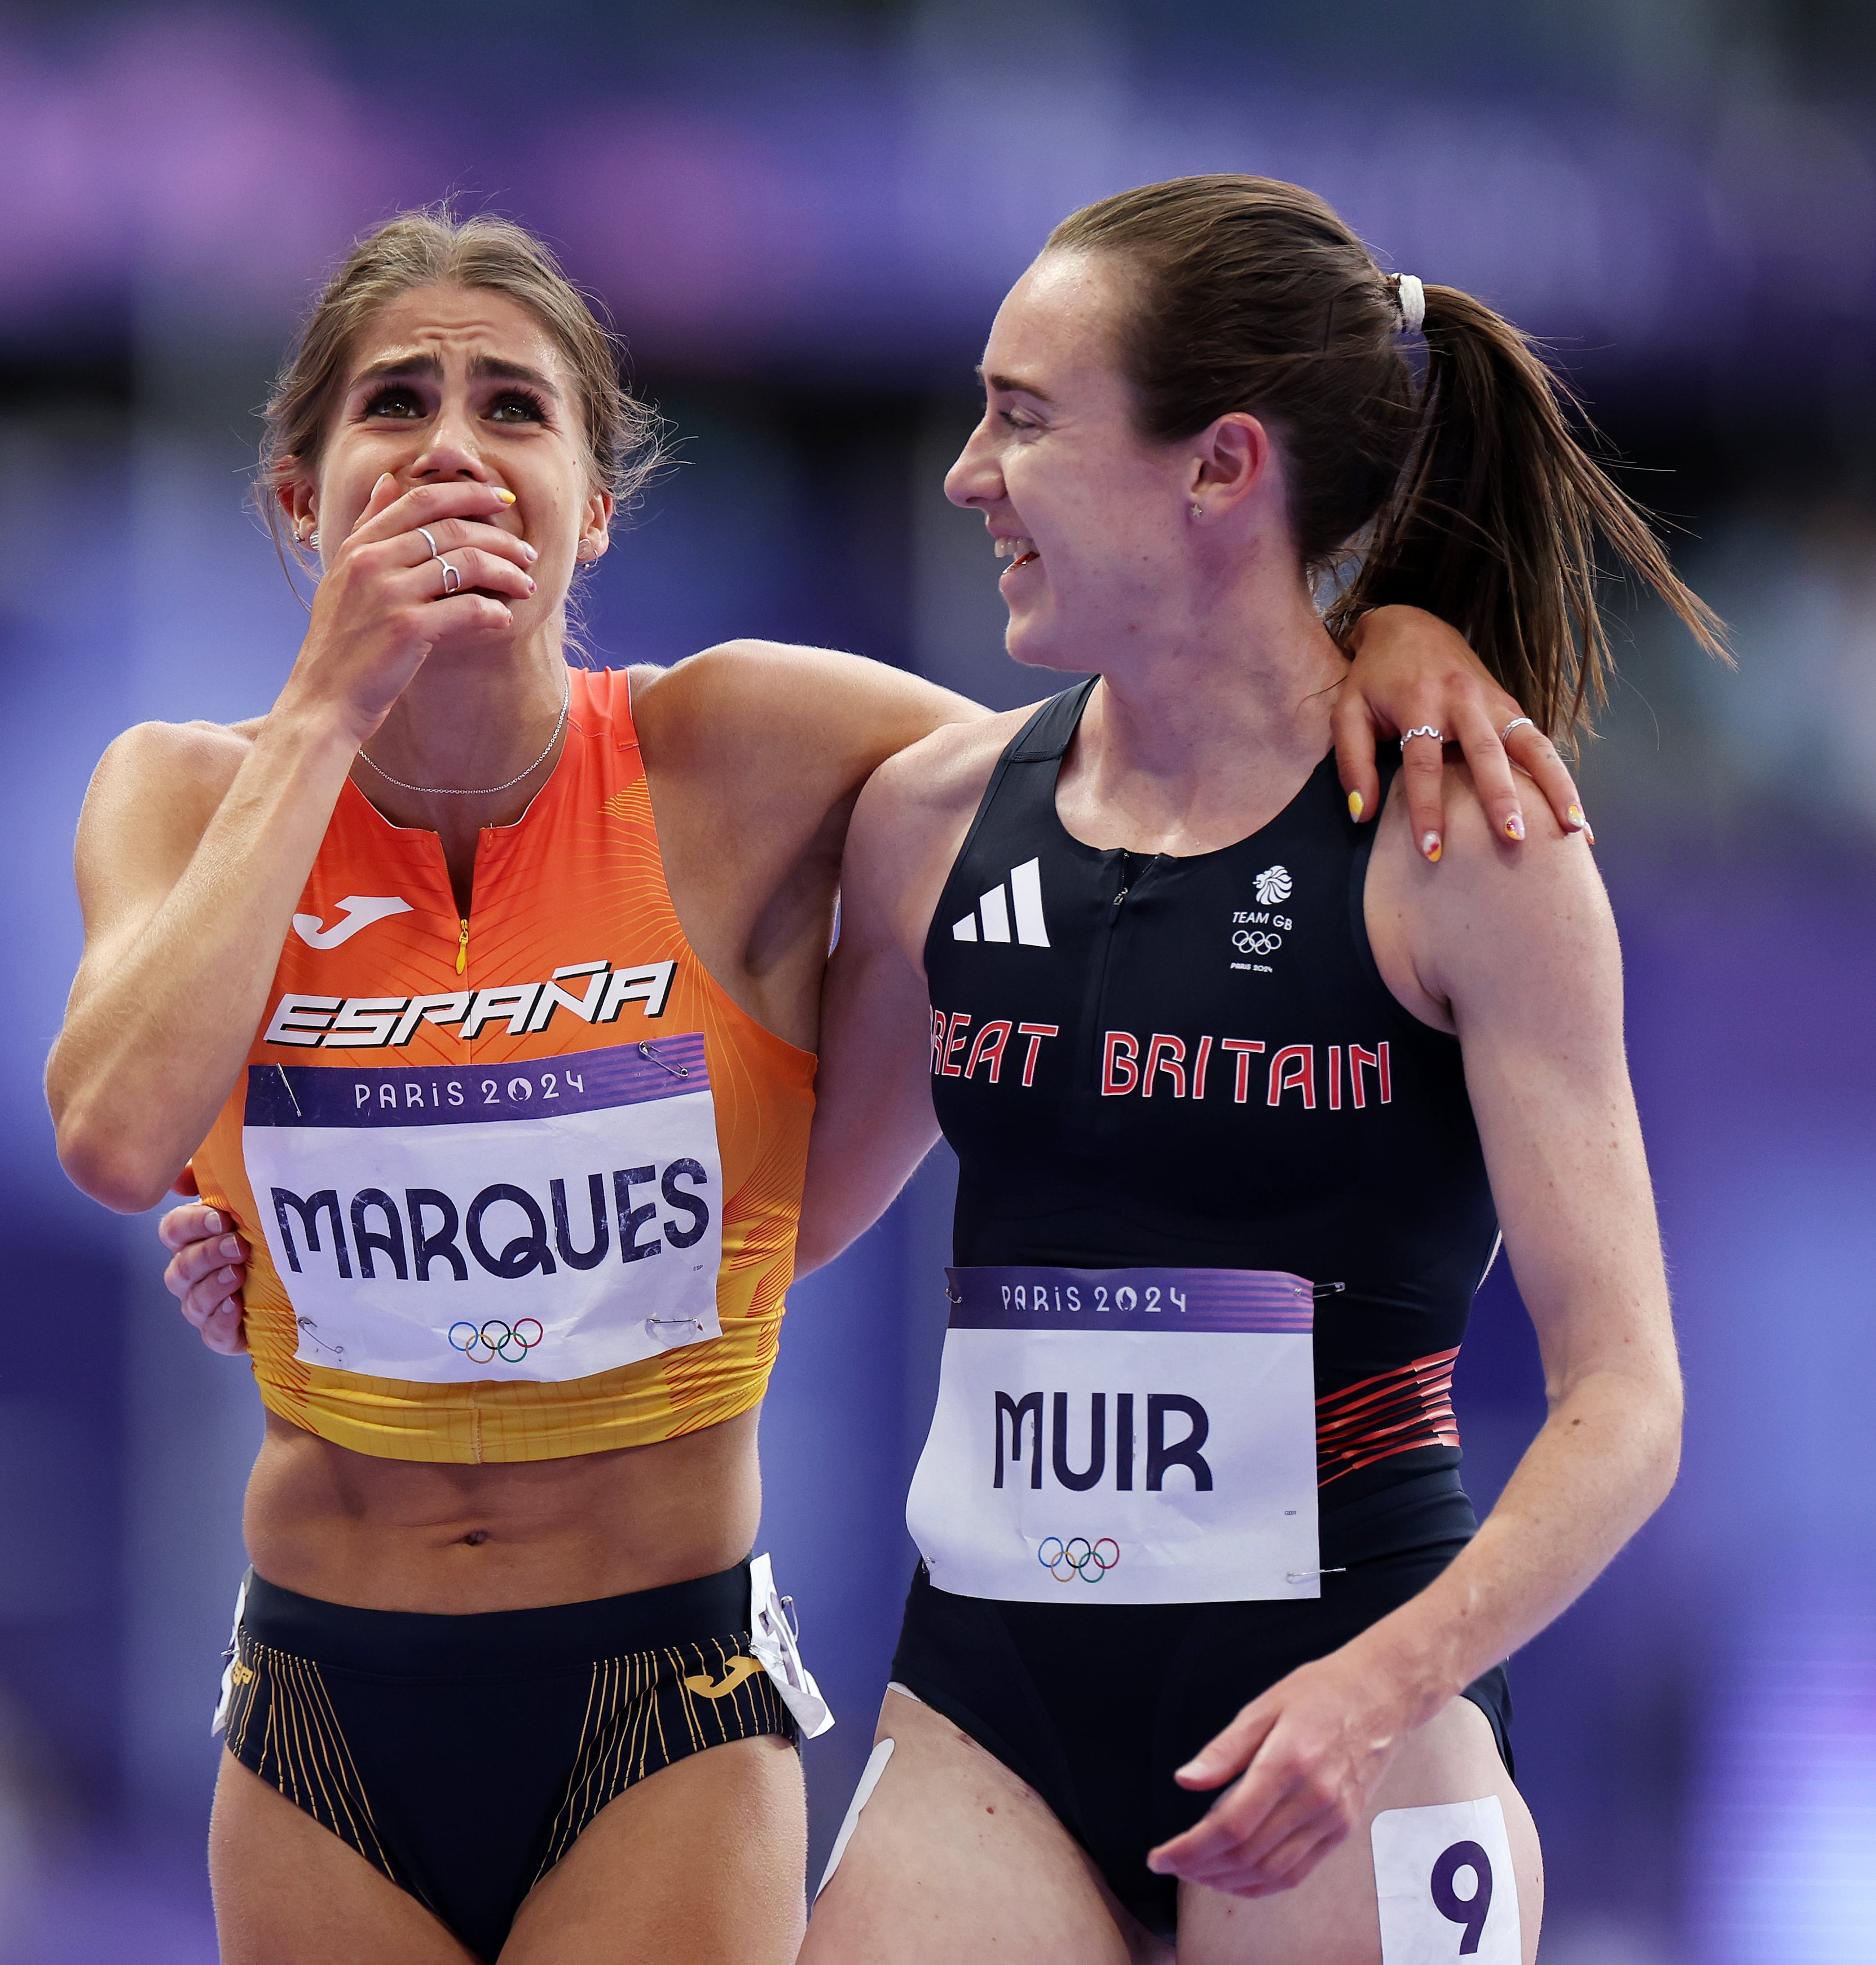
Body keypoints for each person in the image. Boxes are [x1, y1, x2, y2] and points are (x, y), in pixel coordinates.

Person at [84, 208, 1580, 1965]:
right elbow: (117, 1132)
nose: (452, 449)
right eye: (396, 403)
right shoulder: (183, 789)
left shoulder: (747, 746)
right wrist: (331, 717)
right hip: (329, 1689)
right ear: (297, 493)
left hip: (660, 1691)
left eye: (514, 406)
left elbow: (1140, 758)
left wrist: (1385, 638)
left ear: (599, 503)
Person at [788, 178, 1712, 1963]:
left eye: (1024, 418)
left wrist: (1382, 1689)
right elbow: (780, 1217)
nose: (969, 473)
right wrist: (270, 1239)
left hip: (1345, 1685)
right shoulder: (927, 821)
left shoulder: (1469, 846)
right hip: (992, 1698)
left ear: (1220, 468)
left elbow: (1630, 1403)